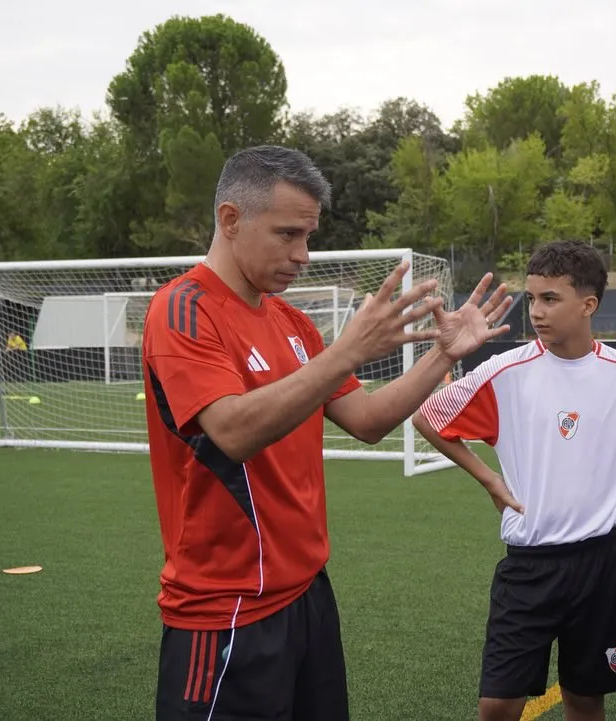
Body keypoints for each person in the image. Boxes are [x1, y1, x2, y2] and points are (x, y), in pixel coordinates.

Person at [141, 144, 513, 721]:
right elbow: (231, 432)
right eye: (288, 234)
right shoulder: (183, 310)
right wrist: (343, 354)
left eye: (308, 236)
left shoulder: (291, 322)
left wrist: (443, 356)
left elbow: (366, 421)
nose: (304, 255)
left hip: (308, 593)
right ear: (231, 219)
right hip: (226, 609)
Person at [412, 240, 616, 721]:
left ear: (588, 304)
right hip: (528, 566)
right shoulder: (507, 370)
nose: (537, 312)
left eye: (550, 299)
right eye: (532, 298)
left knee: (586, 698)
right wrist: (489, 480)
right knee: (498, 705)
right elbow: (428, 417)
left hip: (602, 561)